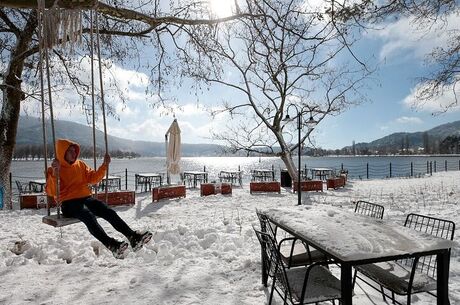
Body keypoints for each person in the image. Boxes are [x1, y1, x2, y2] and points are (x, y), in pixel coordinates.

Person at [46, 138, 152, 259]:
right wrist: (55, 173)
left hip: (85, 198)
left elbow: (93, 178)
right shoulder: (55, 168)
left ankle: (132, 237)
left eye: (74, 151)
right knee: (88, 216)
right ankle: (111, 245)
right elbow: (52, 191)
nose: (74, 153)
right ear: (62, 152)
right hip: (68, 203)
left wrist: (104, 165)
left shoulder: (80, 165)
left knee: (108, 211)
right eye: (70, 151)